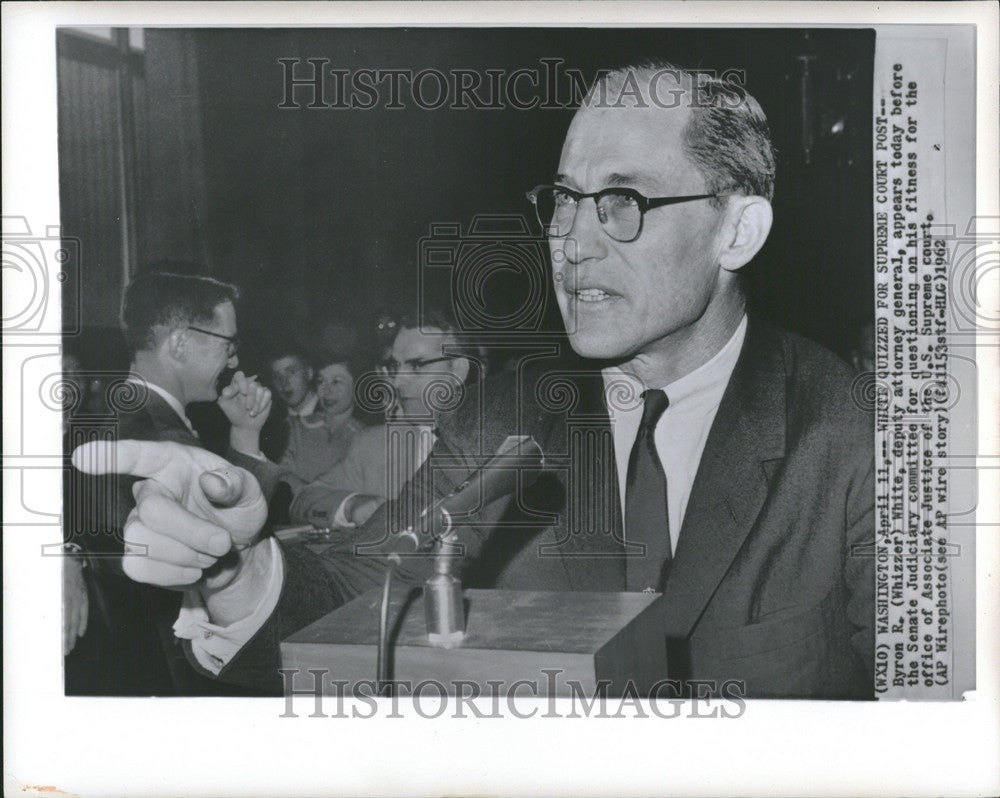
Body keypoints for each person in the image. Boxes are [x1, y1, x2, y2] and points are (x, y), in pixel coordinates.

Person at [74, 63, 875, 699]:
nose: (571, 243)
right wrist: (234, 565)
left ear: (738, 229)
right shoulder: (515, 410)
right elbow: (372, 577)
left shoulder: (852, 430)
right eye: (563, 201)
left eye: (621, 202)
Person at [65, 270, 275, 695]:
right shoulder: (152, 432)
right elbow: (231, 549)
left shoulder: (121, 414)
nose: (233, 361)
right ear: (180, 342)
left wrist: (244, 434)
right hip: (175, 675)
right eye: (227, 344)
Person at [287, 312, 473, 529]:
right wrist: (350, 506)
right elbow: (302, 501)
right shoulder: (373, 445)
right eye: (396, 366)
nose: (398, 381)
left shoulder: (497, 441)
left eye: (416, 365)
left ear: (458, 370)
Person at [230, 348, 368, 485]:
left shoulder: (359, 426)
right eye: (277, 376)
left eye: (291, 372)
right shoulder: (271, 423)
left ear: (309, 374)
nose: (284, 382)